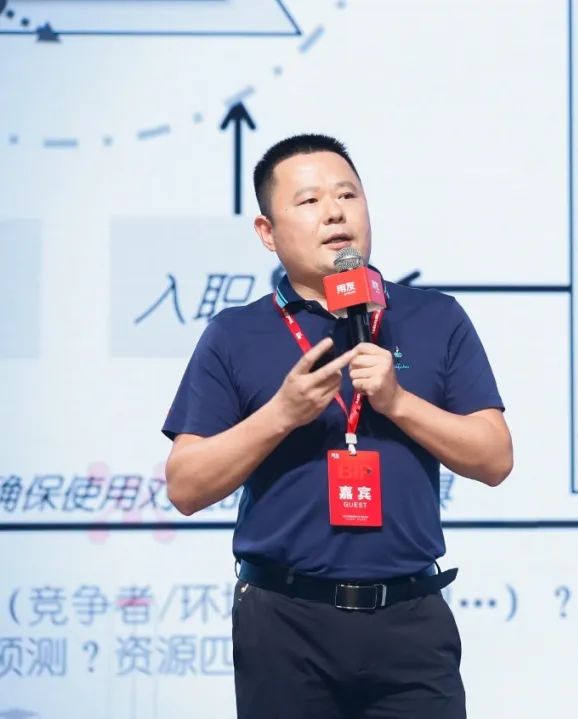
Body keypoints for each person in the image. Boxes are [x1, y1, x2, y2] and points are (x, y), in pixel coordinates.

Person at [162, 133, 513, 718]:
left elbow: (495, 458)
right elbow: (185, 486)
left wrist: (399, 402)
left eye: (348, 195)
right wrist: (281, 415)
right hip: (285, 622)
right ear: (267, 232)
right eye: (309, 201)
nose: (334, 212)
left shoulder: (435, 317)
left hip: (411, 618)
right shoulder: (234, 334)